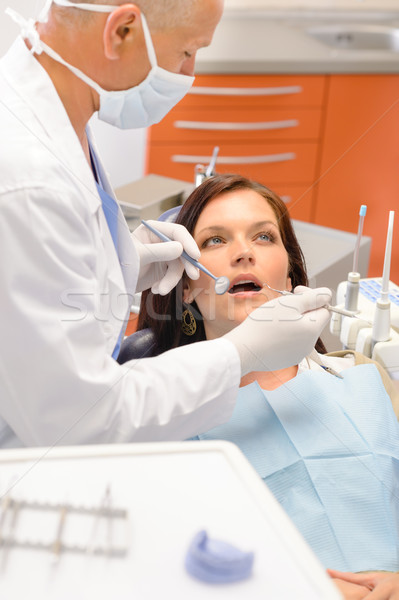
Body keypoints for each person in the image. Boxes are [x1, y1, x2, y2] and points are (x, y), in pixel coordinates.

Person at [0, 0, 332, 448]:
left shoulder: (55, 113)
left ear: (292, 272)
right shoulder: (29, 178)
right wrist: (240, 353)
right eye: (188, 51)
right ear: (122, 31)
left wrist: (117, 265)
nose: (190, 72)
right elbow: (81, 419)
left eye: (264, 235)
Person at [133, 174, 399, 574]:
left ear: (290, 278)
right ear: (184, 287)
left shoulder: (362, 375)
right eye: (215, 240)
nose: (243, 253)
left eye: (263, 237)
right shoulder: (159, 411)